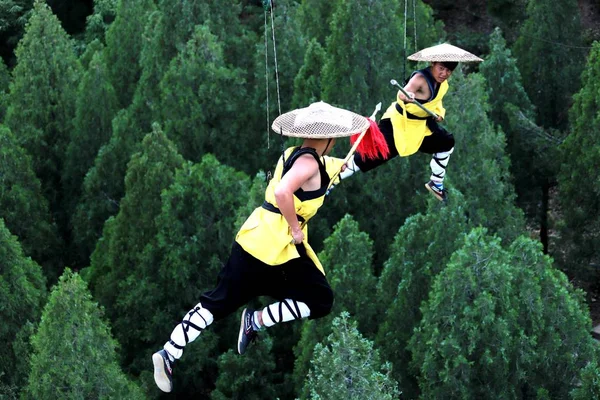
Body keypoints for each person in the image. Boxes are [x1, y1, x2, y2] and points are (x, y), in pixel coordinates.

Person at [151, 101, 372, 393]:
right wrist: (295, 229)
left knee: (217, 301)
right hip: (279, 248)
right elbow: (283, 192)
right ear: (329, 137)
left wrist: (371, 134)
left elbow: (339, 168)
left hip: (253, 239)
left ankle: (170, 351)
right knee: (320, 300)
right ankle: (256, 321)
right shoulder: (309, 163)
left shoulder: (295, 155)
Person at [339, 43, 482, 202]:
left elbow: (437, 103)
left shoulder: (443, 84)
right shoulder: (420, 79)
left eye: (448, 71)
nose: (444, 73)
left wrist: (439, 114)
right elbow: (403, 93)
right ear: (433, 63)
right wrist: (408, 96)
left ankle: (436, 182)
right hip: (398, 124)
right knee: (373, 155)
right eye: (441, 68)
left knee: (446, 141)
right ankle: (333, 178)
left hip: (421, 126)